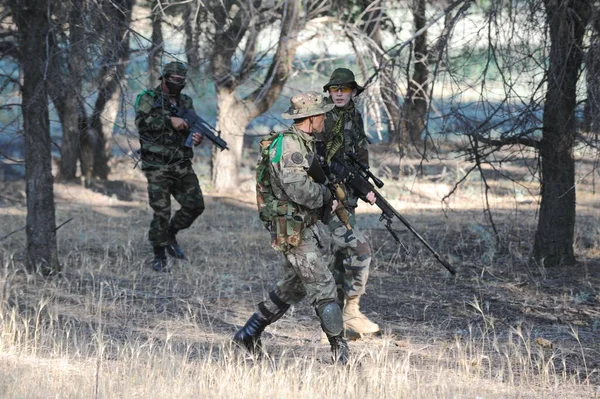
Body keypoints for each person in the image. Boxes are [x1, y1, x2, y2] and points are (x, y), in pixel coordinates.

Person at [233, 92, 350, 364]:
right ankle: (341, 354)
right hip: (292, 229)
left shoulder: (301, 142)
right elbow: (298, 189)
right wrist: (327, 196)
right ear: (310, 118)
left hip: (300, 225)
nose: (325, 118)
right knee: (324, 287)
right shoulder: (290, 146)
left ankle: (248, 334)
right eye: (322, 114)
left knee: (293, 288)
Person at [320, 68, 380, 336]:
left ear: (353, 91)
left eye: (344, 89)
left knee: (339, 258)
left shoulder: (354, 117)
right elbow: (315, 160)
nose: (339, 93)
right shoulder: (321, 117)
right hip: (326, 198)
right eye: (335, 89)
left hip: (348, 197)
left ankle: (339, 324)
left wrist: (364, 186)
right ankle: (347, 315)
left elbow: (359, 156)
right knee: (357, 249)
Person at [134, 61, 205, 272]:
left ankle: (171, 233)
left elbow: (189, 127)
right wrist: (169, 120)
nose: (178, 84)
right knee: (162, 211)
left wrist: (196, 136)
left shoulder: (185, 101)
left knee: (195, 205)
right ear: (164, 78)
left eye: (181, 81)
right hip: (157, 165)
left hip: (181, 163)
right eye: (174, 80)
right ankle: (159, 253)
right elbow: (142, 123)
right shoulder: (147, 97)